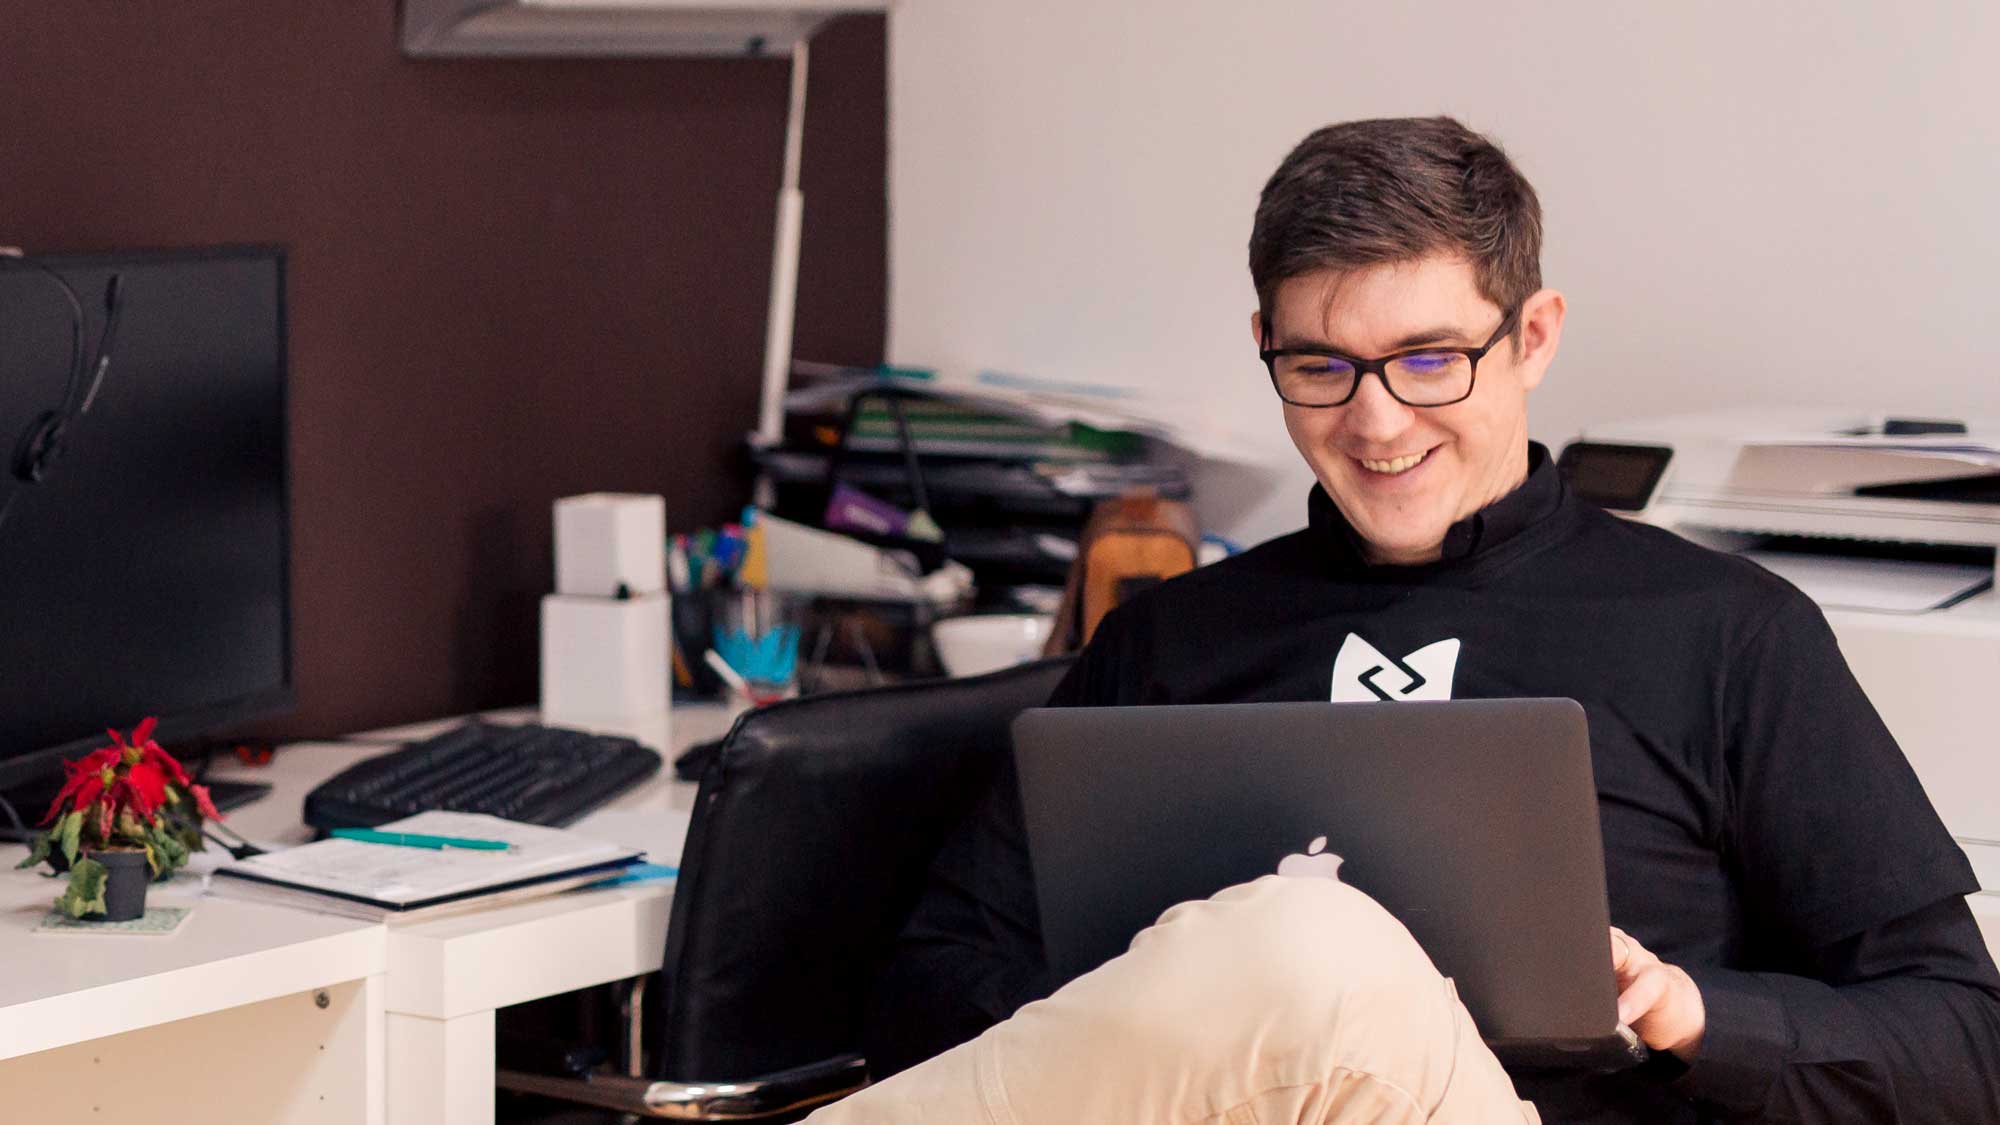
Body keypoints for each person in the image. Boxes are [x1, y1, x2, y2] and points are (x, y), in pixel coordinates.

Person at [835, 117, 2000, 1123]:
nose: (1376, 423)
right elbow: (933, 988)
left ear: (1531, 336)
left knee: (1312, 940)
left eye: (1428, 359)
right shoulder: (1168, 640)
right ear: (1264, 348)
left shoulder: (1725, 631)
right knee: (1279, 952)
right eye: (1321, 367)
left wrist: (1688, 1014)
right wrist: (1165, 997)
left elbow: (1960, 1044)